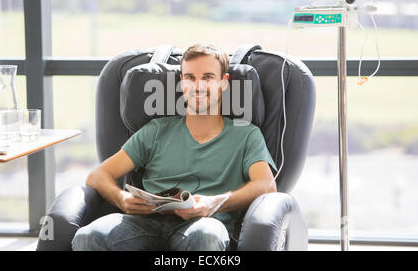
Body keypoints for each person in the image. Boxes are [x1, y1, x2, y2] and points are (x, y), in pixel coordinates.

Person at [71, 43, 277, 251]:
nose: (198, 86)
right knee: (87, 237)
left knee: (206, 236)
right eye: (190, 78)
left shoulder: (246, 134)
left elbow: (267, 185)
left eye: (207, 77)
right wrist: (122, 198)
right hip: (145, 223)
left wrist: (215, 202)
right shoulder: (156, 130)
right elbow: (97, 176)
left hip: (203, 223)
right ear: (182, 82)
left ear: (223, 83)